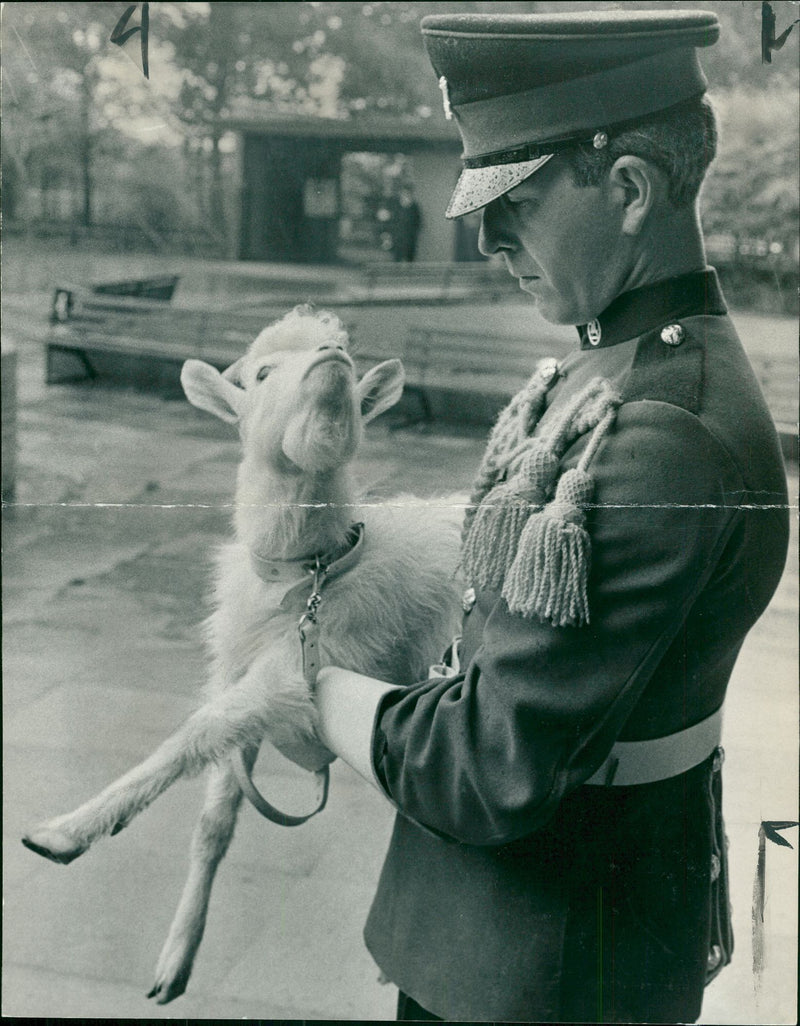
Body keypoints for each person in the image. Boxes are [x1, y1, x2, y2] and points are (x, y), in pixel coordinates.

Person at [295, 10, 789, 1022]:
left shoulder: (663, 430)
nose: (484, 237)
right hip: (518, 938)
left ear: (627, 190)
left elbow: (487, 764)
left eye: (513, 199)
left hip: (549, 963)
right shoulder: (622, 365)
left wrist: (310, 686)